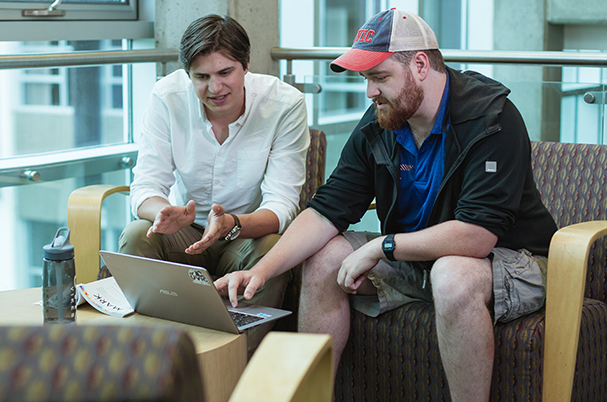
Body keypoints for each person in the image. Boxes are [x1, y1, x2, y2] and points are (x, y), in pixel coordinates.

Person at [214, 8, 558, 401]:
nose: (369, 92)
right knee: (325, 257)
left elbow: (477, 236)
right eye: (366, 79)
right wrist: (259, 272)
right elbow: (327, 209)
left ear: (421, 65)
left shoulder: (492, 118)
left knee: (453, 275)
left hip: (514, 258)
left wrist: (383, 245)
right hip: (419, 259)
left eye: (379, 77)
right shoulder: (382, 122)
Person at [120, 14, 310, 356]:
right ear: (187, 74)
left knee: (274, 246)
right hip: (186, 234)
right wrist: (164, 212)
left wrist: (231, 225)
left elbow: (283, 206)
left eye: (225, 73)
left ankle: (240, 366)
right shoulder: (167, 96)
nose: (215, 88)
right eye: (201, 77)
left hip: (245, 237)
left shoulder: (285, 104)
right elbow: (146, 185)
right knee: (137, 233)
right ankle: (148, 360)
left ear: (246, 65)